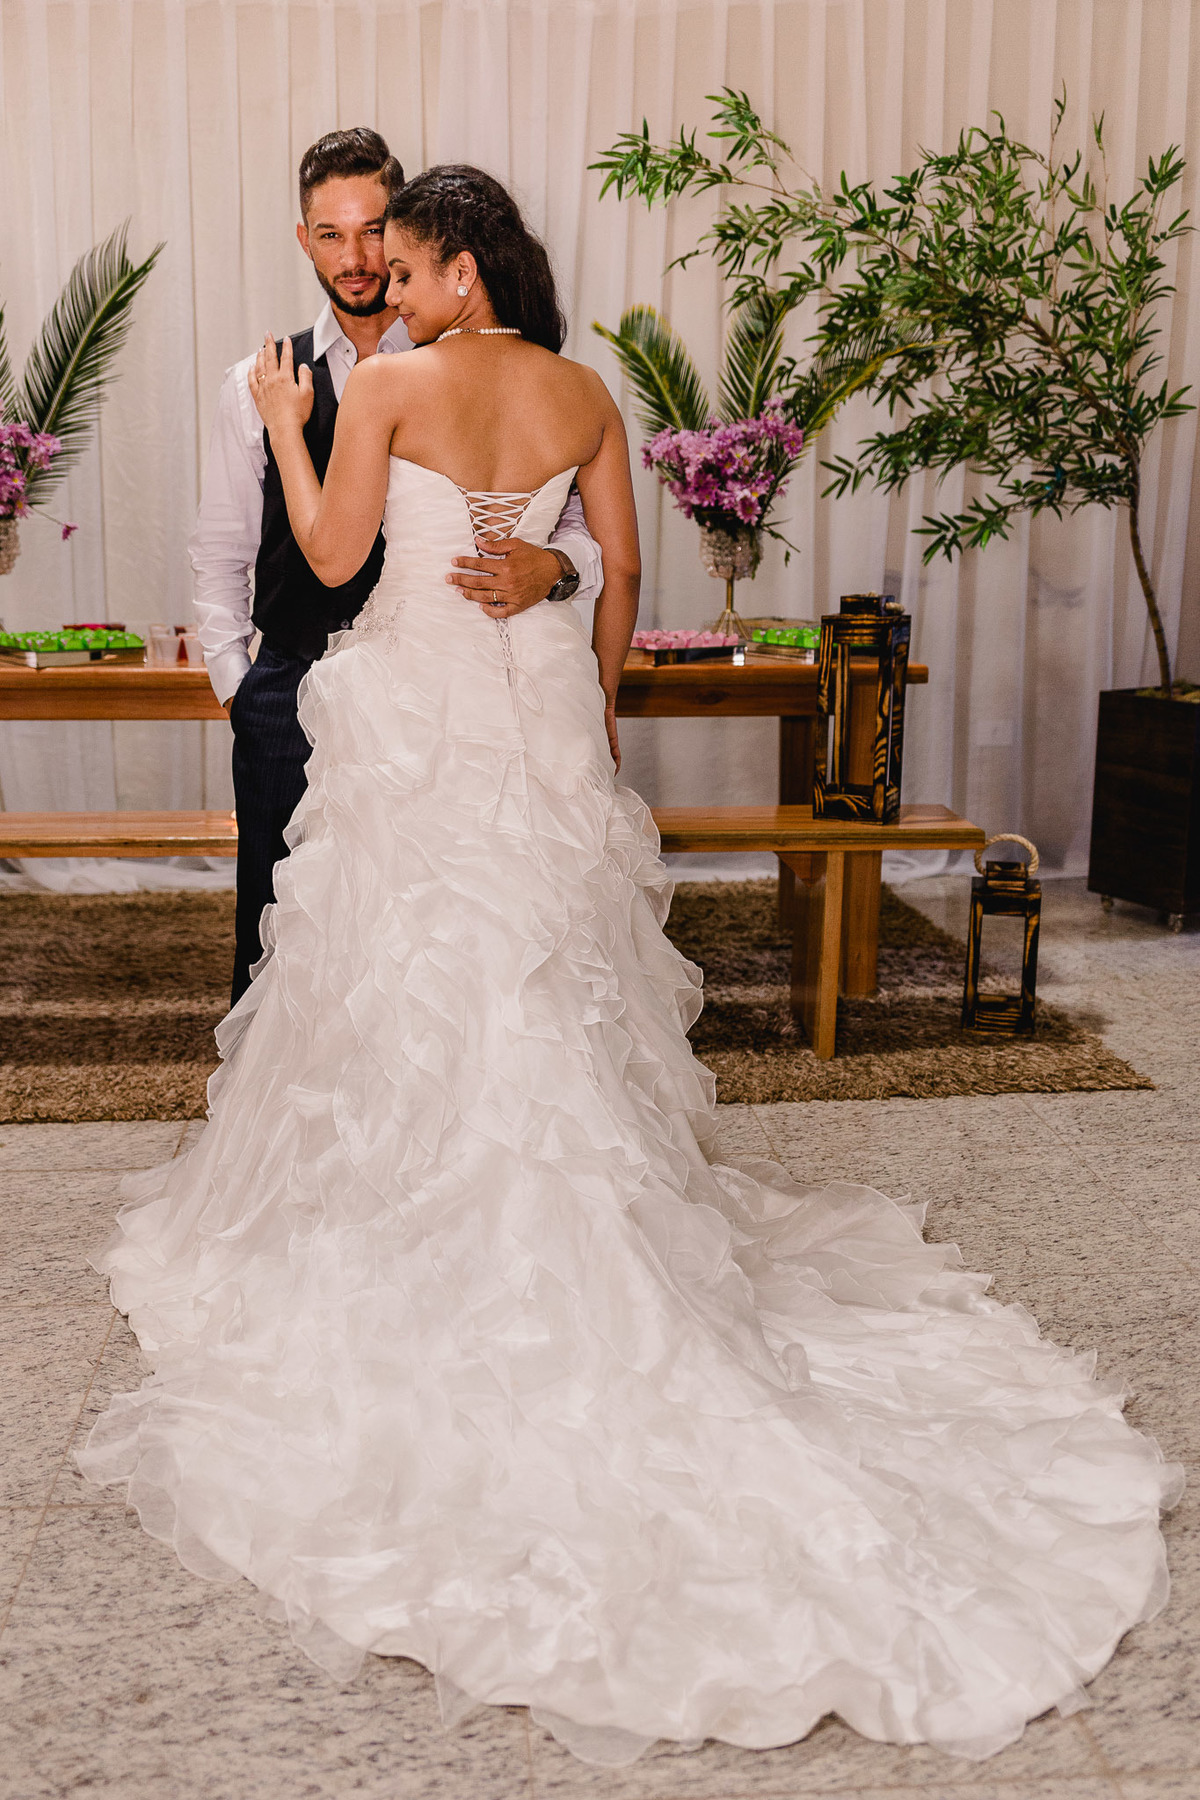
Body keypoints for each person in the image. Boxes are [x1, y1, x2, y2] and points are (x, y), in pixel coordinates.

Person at [80, 165, 1180, 1768]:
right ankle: (568, 1209)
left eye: (404, 253)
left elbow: (326, 556)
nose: (382, 272)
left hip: (423, 727)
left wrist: (278, 406)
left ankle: (426, 1229)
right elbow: (627, 581)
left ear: (458, 269)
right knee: (545, 972)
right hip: (531, 719)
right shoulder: (585, 389)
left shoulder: (380, 379)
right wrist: (594, 720)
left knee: (412, 967)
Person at [190, 129, 602, 1003]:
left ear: (412, 227)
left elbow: (576, 529)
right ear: (303, 239)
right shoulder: (256, 383)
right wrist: (242, 683)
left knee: (443, 937)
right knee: (281, 931)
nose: (356, 256)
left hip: (445, 693)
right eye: (330, 234)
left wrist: (556, 568)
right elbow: (222, 547)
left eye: (374, 229)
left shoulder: (488, 367)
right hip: (296, 682)